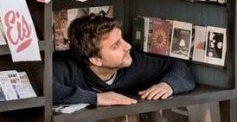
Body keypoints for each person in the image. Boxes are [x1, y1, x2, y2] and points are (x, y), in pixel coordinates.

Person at [53, 13, 196, 107]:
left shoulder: (134, 62)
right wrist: (96, 98)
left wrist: (168, 85)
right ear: (96, 60)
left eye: (122, 39)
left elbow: (178, 67)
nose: (128, 46)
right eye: (116, 46)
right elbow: (47, 90)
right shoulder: (64, 66)